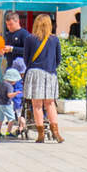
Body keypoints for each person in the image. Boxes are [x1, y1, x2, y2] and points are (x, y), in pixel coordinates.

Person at [24, 12, 63, 143]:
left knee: (37, 105)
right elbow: (58, 59)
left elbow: (26, 59)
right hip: (50, 73)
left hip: (35, 73)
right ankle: (56, 132)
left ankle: (40, 134)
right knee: (50, 103)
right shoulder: (55, 40)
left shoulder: (30, 39)